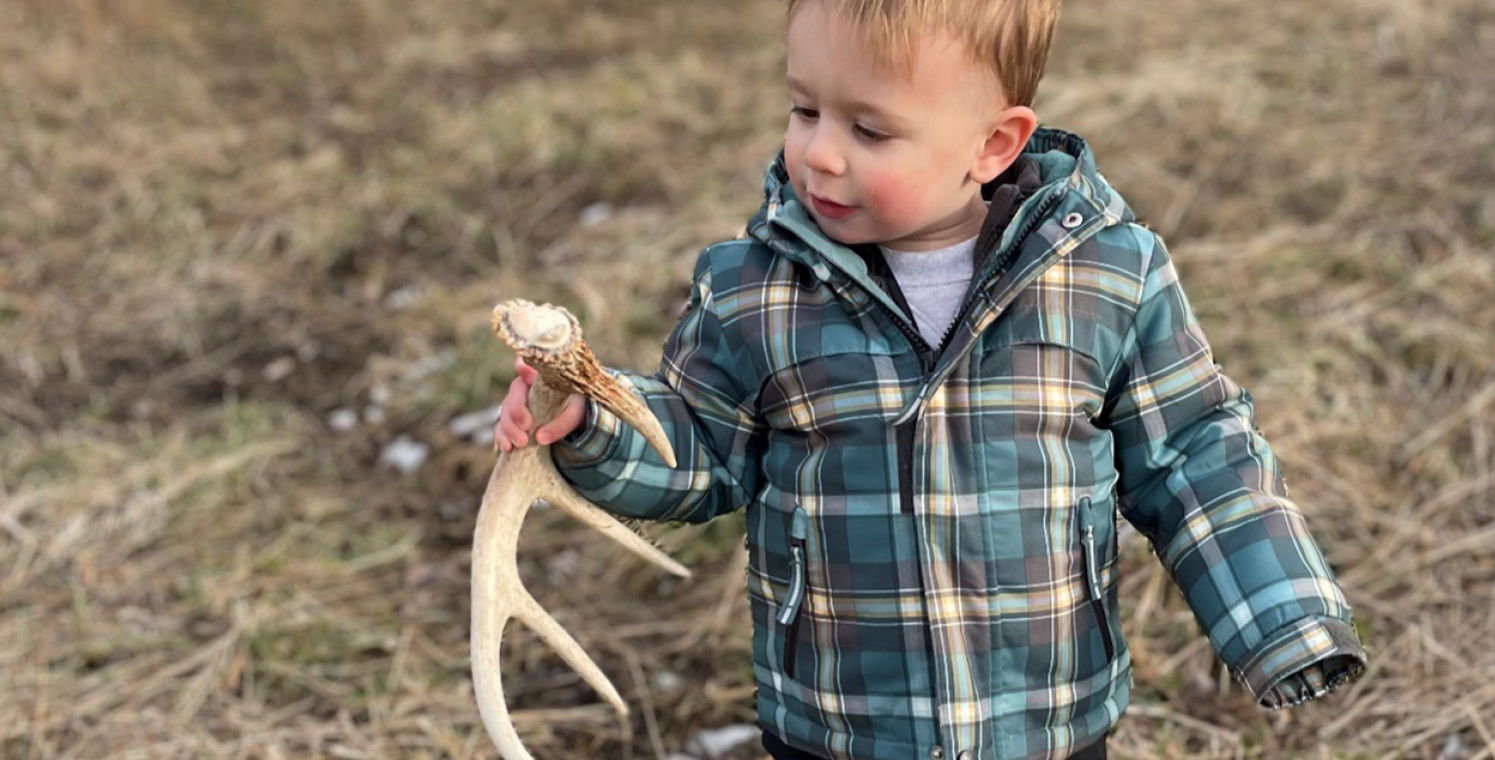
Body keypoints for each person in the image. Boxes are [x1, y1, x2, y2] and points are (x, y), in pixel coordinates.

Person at [494, 0, 1367, 758]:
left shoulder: (1102, 275)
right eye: (805, 110)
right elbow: (697, 449)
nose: (821, 155)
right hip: (836, 722)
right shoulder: (755, 288)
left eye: (869, 130)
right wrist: (597, 419)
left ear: (993, 145)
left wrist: (1281, 620)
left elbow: (1193, 454)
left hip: (1045, 719)